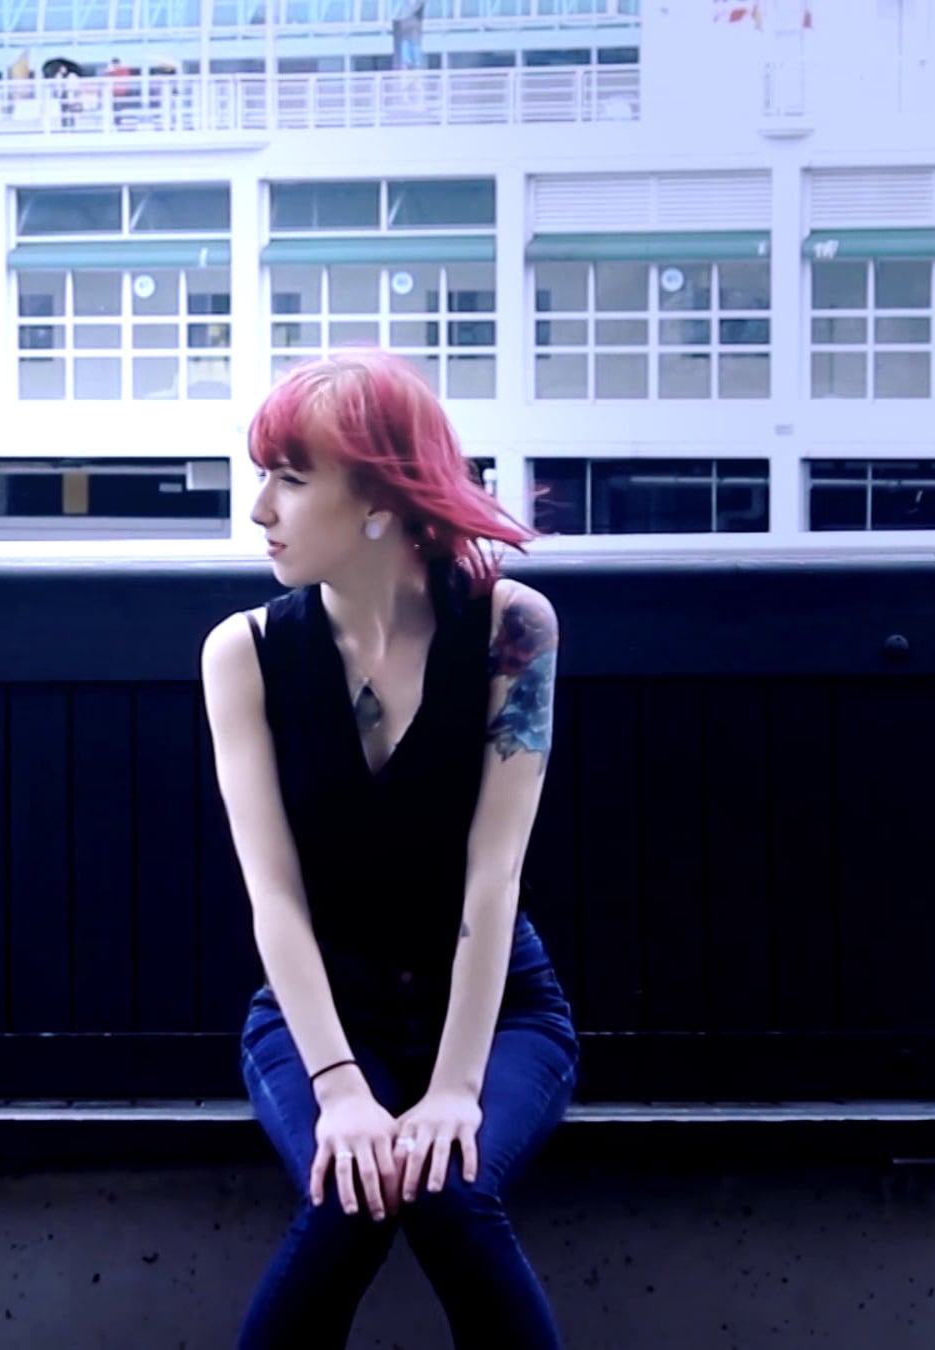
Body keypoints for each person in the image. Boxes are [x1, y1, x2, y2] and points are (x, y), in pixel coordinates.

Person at [200, 350, 577, 1349]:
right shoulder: (244, 652)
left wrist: (454, 1088)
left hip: (501, 1013)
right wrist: (339, 1090)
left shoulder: (513, 628)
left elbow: (494, 874)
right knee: (350, 1192)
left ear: (377, 497)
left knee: (451, 1192)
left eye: (290, 478)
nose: (259, 509)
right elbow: (274, 897)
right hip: (319, 1014)